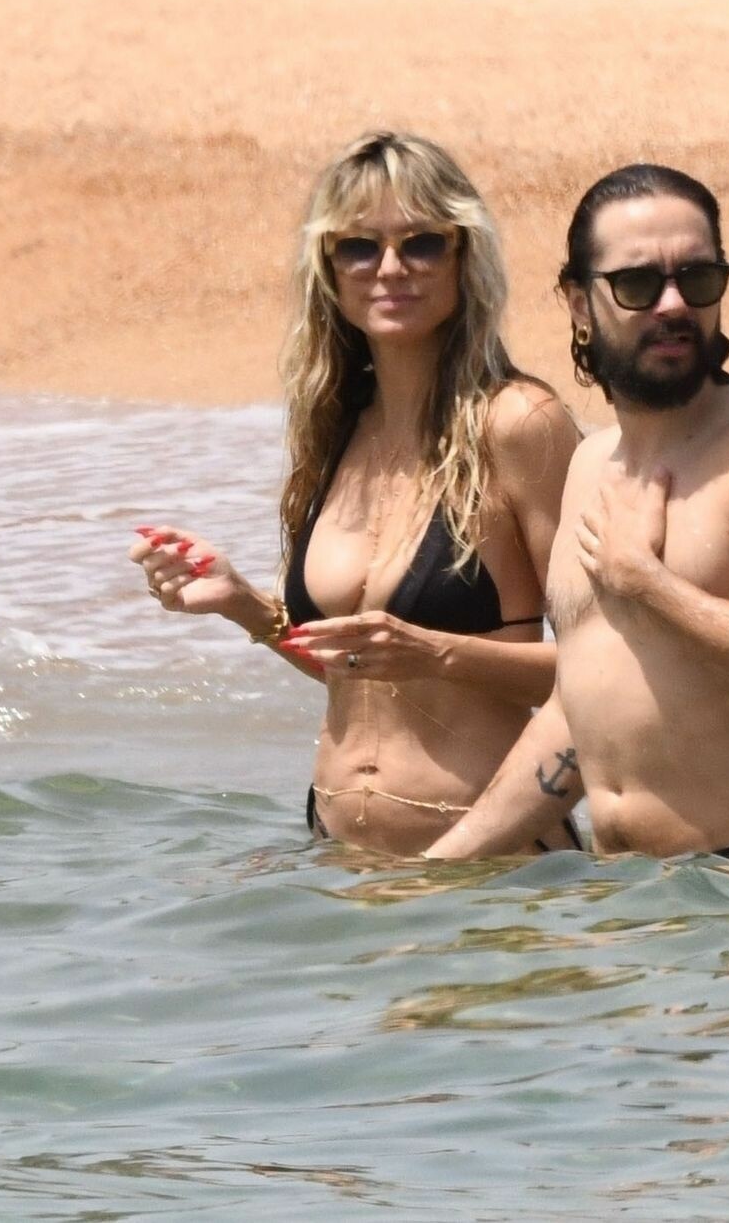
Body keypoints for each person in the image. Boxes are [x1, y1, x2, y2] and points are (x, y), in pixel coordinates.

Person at [129, 132, 582, 857]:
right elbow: (358, 671)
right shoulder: (335, 427)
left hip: (489, 871)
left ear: (463, 256)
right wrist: (243, 604)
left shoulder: (518, 424)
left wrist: (434, 652)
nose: (391, 268)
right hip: (338, 865)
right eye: (360, 247)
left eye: (422, 243)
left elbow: (611, 670)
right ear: (329, 267)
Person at [426, 163, 729, 871]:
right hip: (621, 900)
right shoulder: (588, 466)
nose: (673, 304)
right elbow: (579, 715)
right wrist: (438, 870)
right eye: (638, 284)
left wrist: (646, 583)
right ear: (579, 302)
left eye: (698, 278)